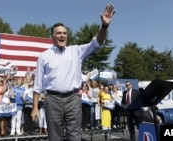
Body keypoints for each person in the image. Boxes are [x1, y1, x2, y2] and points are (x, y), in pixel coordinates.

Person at [31, 4, 115, 141]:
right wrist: (35, 107)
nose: (62, 35)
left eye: (64, 33)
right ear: (52, 36)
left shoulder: (76, 51)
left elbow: (97, 43)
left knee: (75, 135)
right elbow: (37, 85)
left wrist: (104, 26)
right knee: (54, 136)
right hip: (52, 100)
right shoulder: (44, 56)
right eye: (58, 33)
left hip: (73, 99)